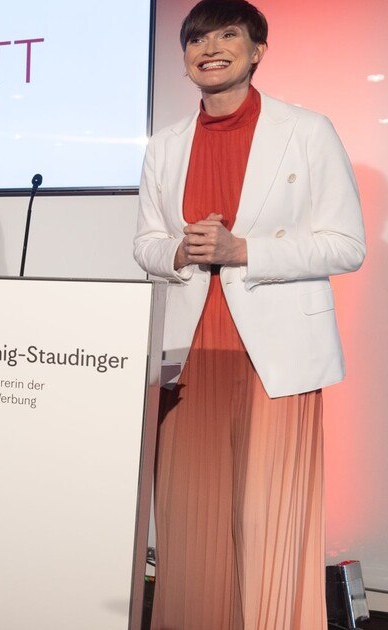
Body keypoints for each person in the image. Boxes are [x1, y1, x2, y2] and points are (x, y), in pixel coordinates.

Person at [133, 1, 365, 627]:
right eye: (195, 39)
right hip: (189, 355)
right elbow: (145, 243)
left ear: (258, 50)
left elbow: (347, 245)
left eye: (227, 35)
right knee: (190, 515)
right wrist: (178, 251)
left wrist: (244, 251)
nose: (209, 48)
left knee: (268, 518)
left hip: (276, 356)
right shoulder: (165, 144)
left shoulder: (306, 130)